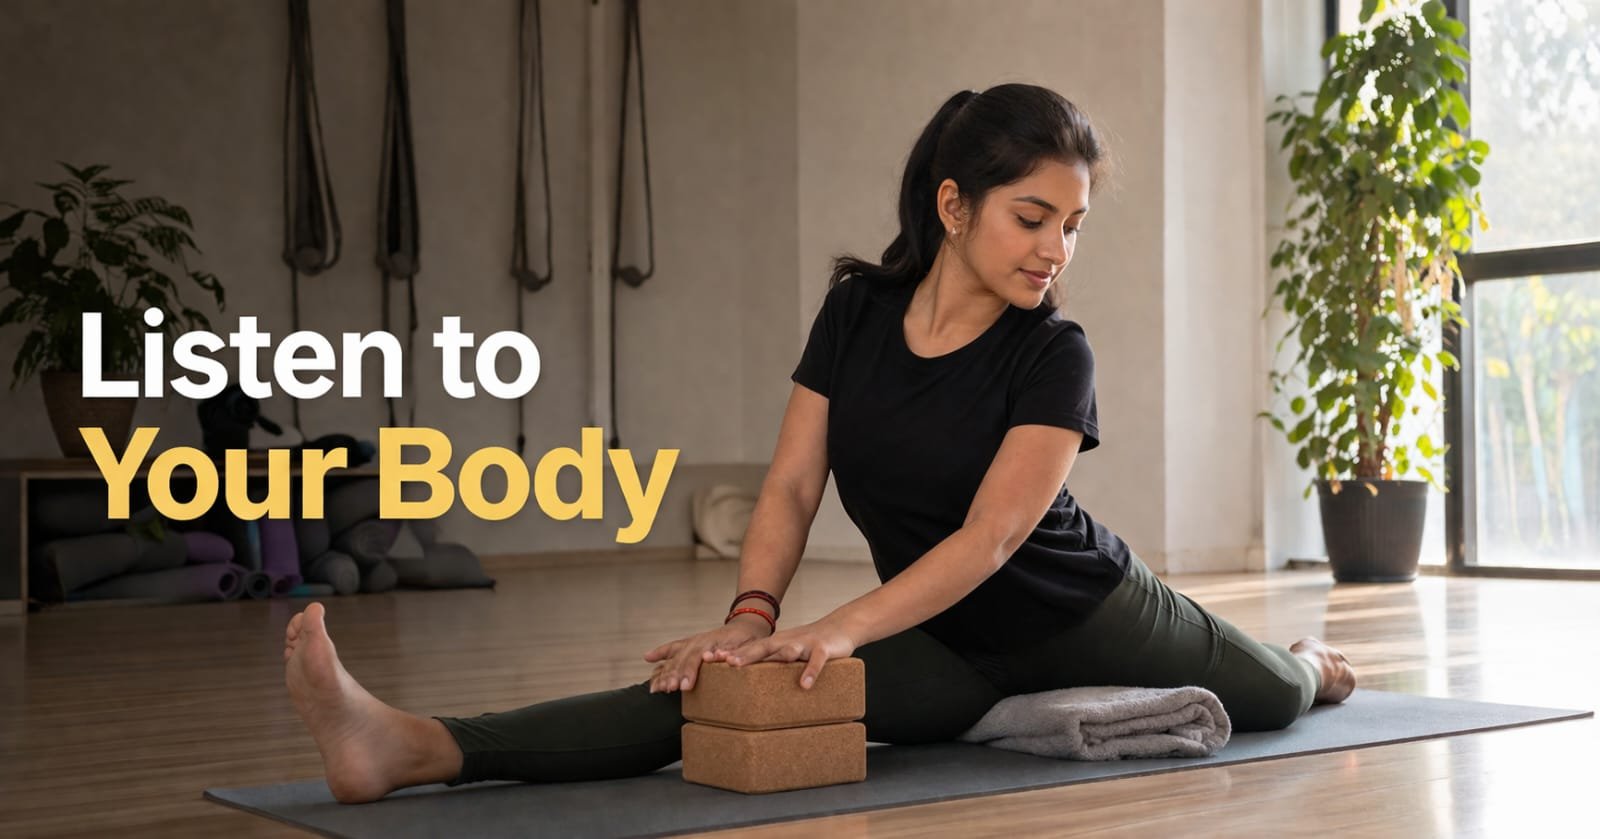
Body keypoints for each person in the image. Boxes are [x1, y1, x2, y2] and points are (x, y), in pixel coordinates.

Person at [283, 83, 1356, 804]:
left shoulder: (1053, 352)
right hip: (946, 641)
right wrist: (752, 617)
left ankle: (1309, 657)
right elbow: (793, 485)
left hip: (1089, 612)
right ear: (953, 203)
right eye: (1032, 217)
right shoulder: (855, 313)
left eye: (1071, 224)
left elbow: (989, 539)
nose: (1054, 248)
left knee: (1270, 694)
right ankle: (411, 743)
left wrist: (834, 628)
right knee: (722, 695)